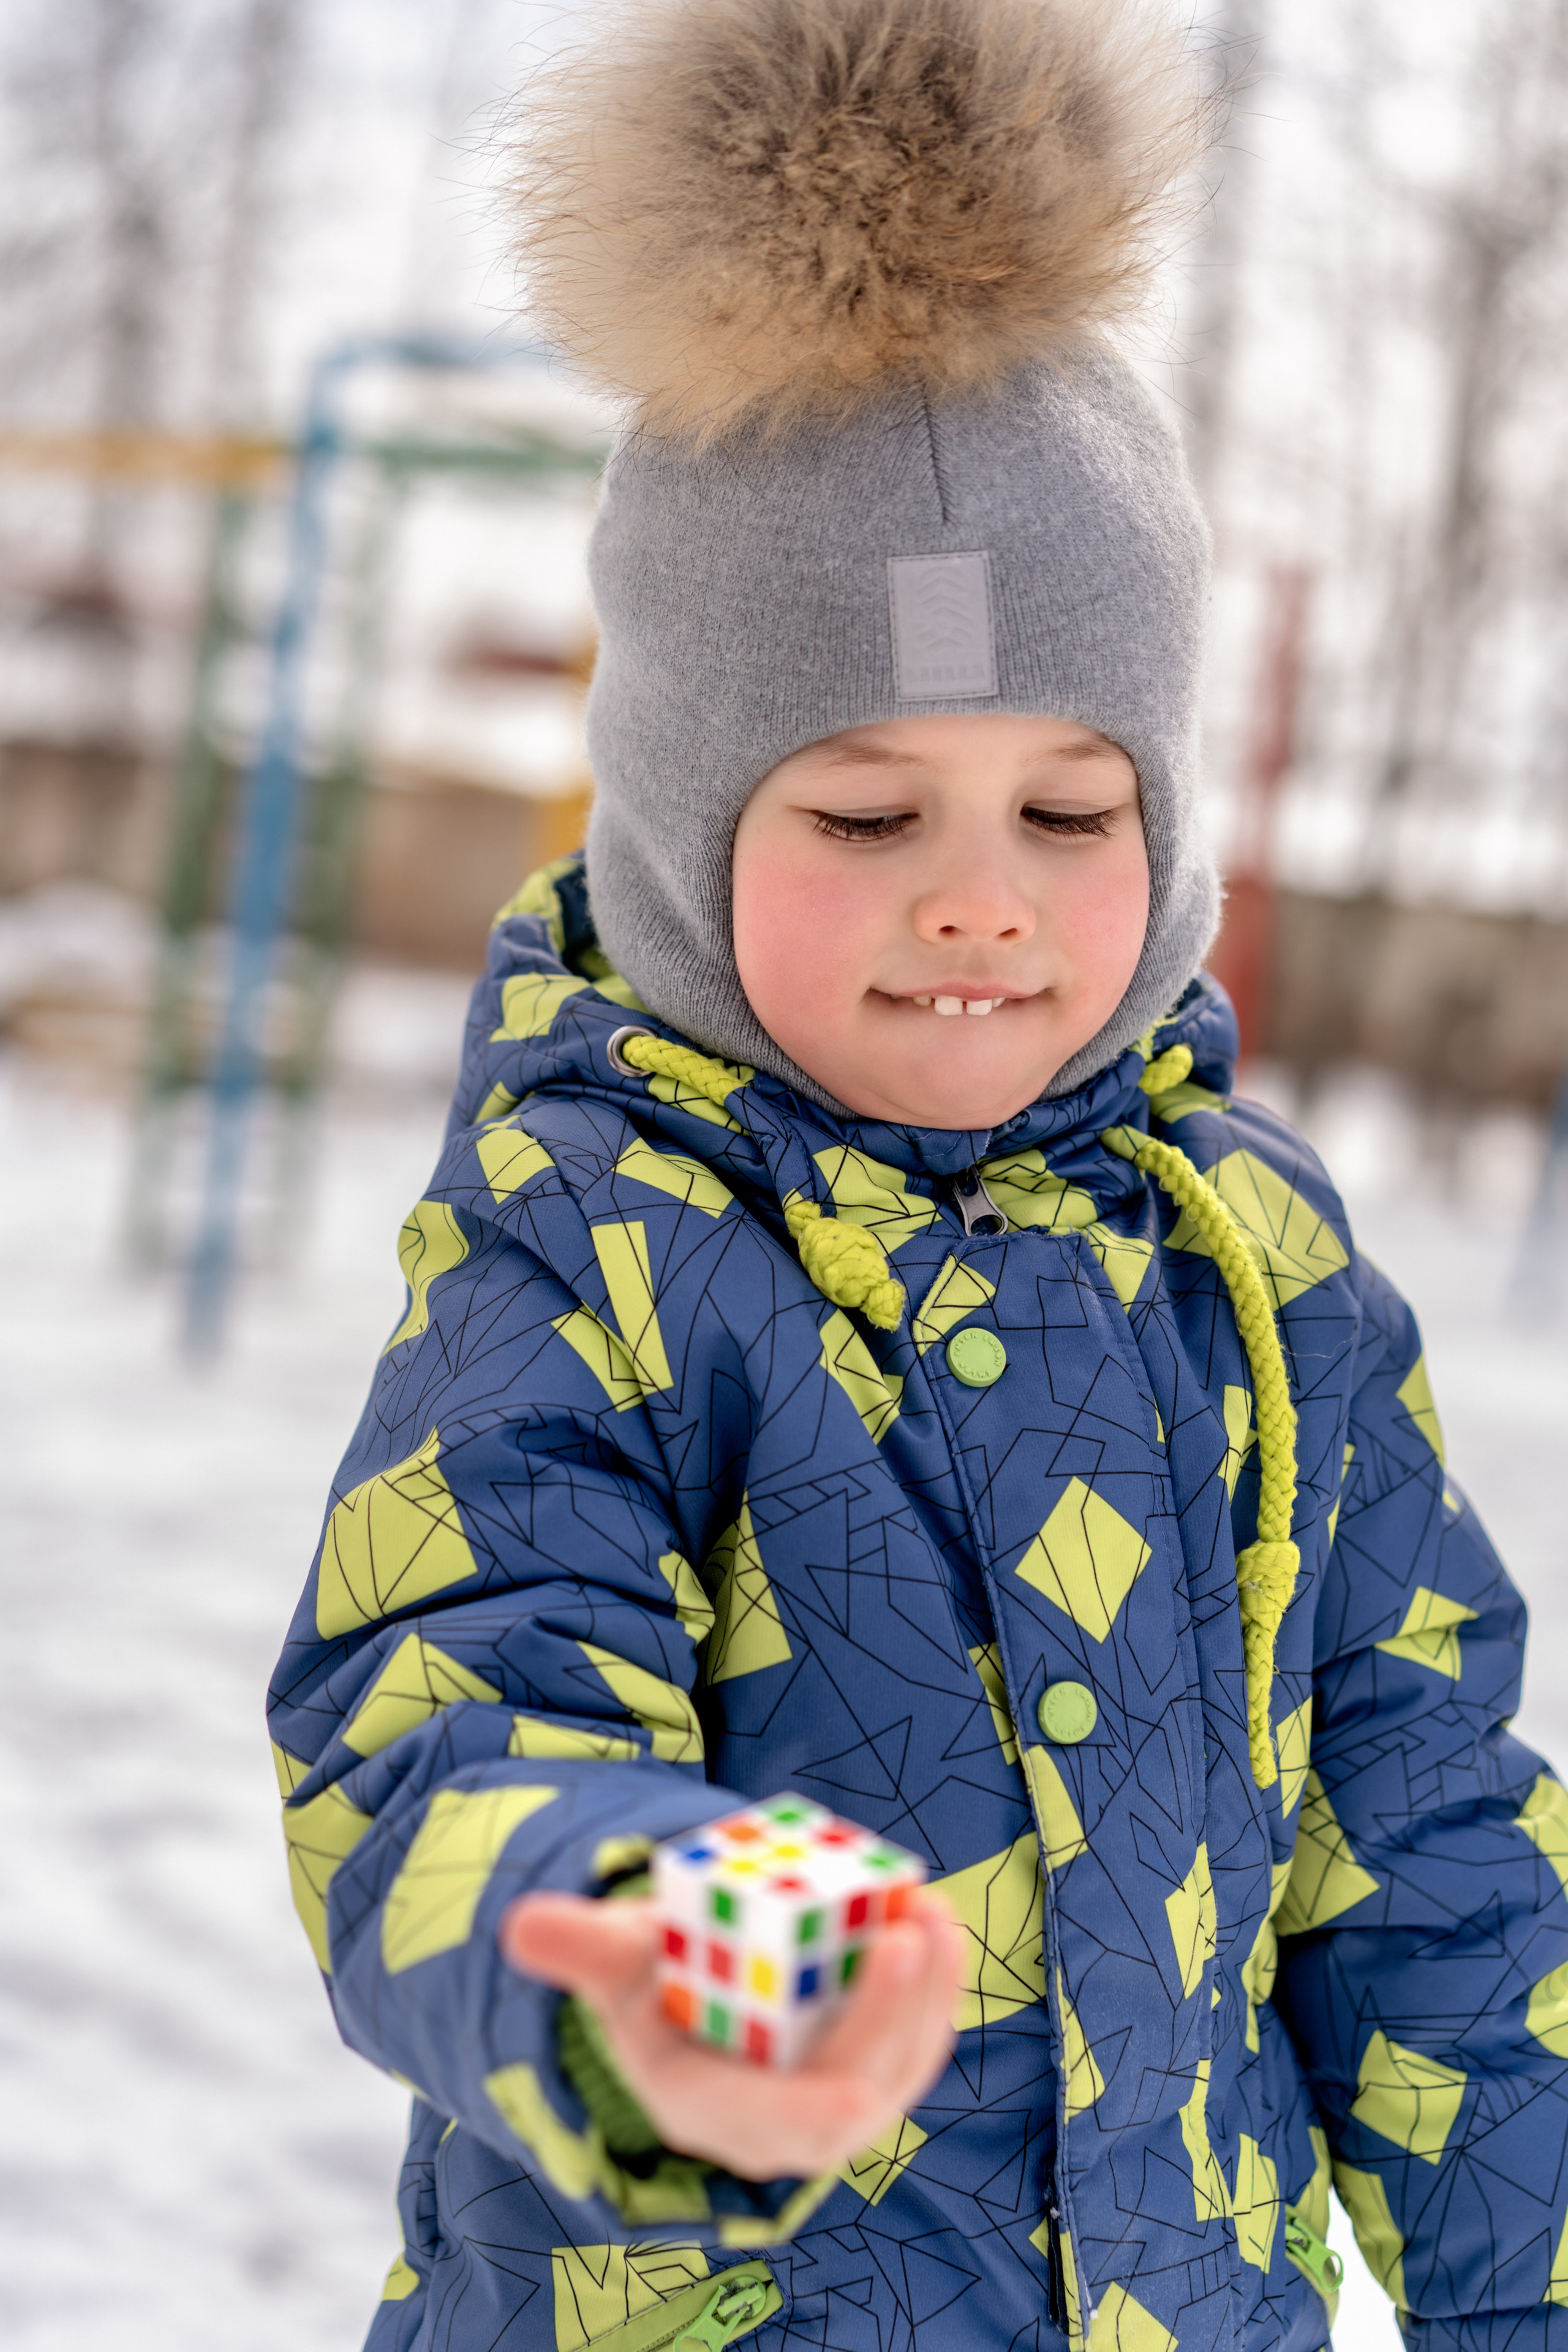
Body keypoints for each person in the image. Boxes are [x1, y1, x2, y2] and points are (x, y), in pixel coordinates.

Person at [268, 0, 1568, 2345]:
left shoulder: (1259, 1274)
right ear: (681, 834)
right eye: (865, 817)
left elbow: (1435, 1852)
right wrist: (642, 1947)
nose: (980, 898)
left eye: (1071, 815)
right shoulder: (598, 1262)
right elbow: (441, 1718)